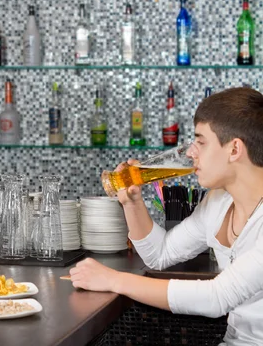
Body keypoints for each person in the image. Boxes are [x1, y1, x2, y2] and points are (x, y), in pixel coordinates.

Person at [70, 87, 263, 345]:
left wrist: (113, 279)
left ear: (234, 149)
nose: (191, 153)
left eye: (201, 142)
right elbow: (159, 254)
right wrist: (132, 202)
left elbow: (217, 297)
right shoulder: (218, 202)